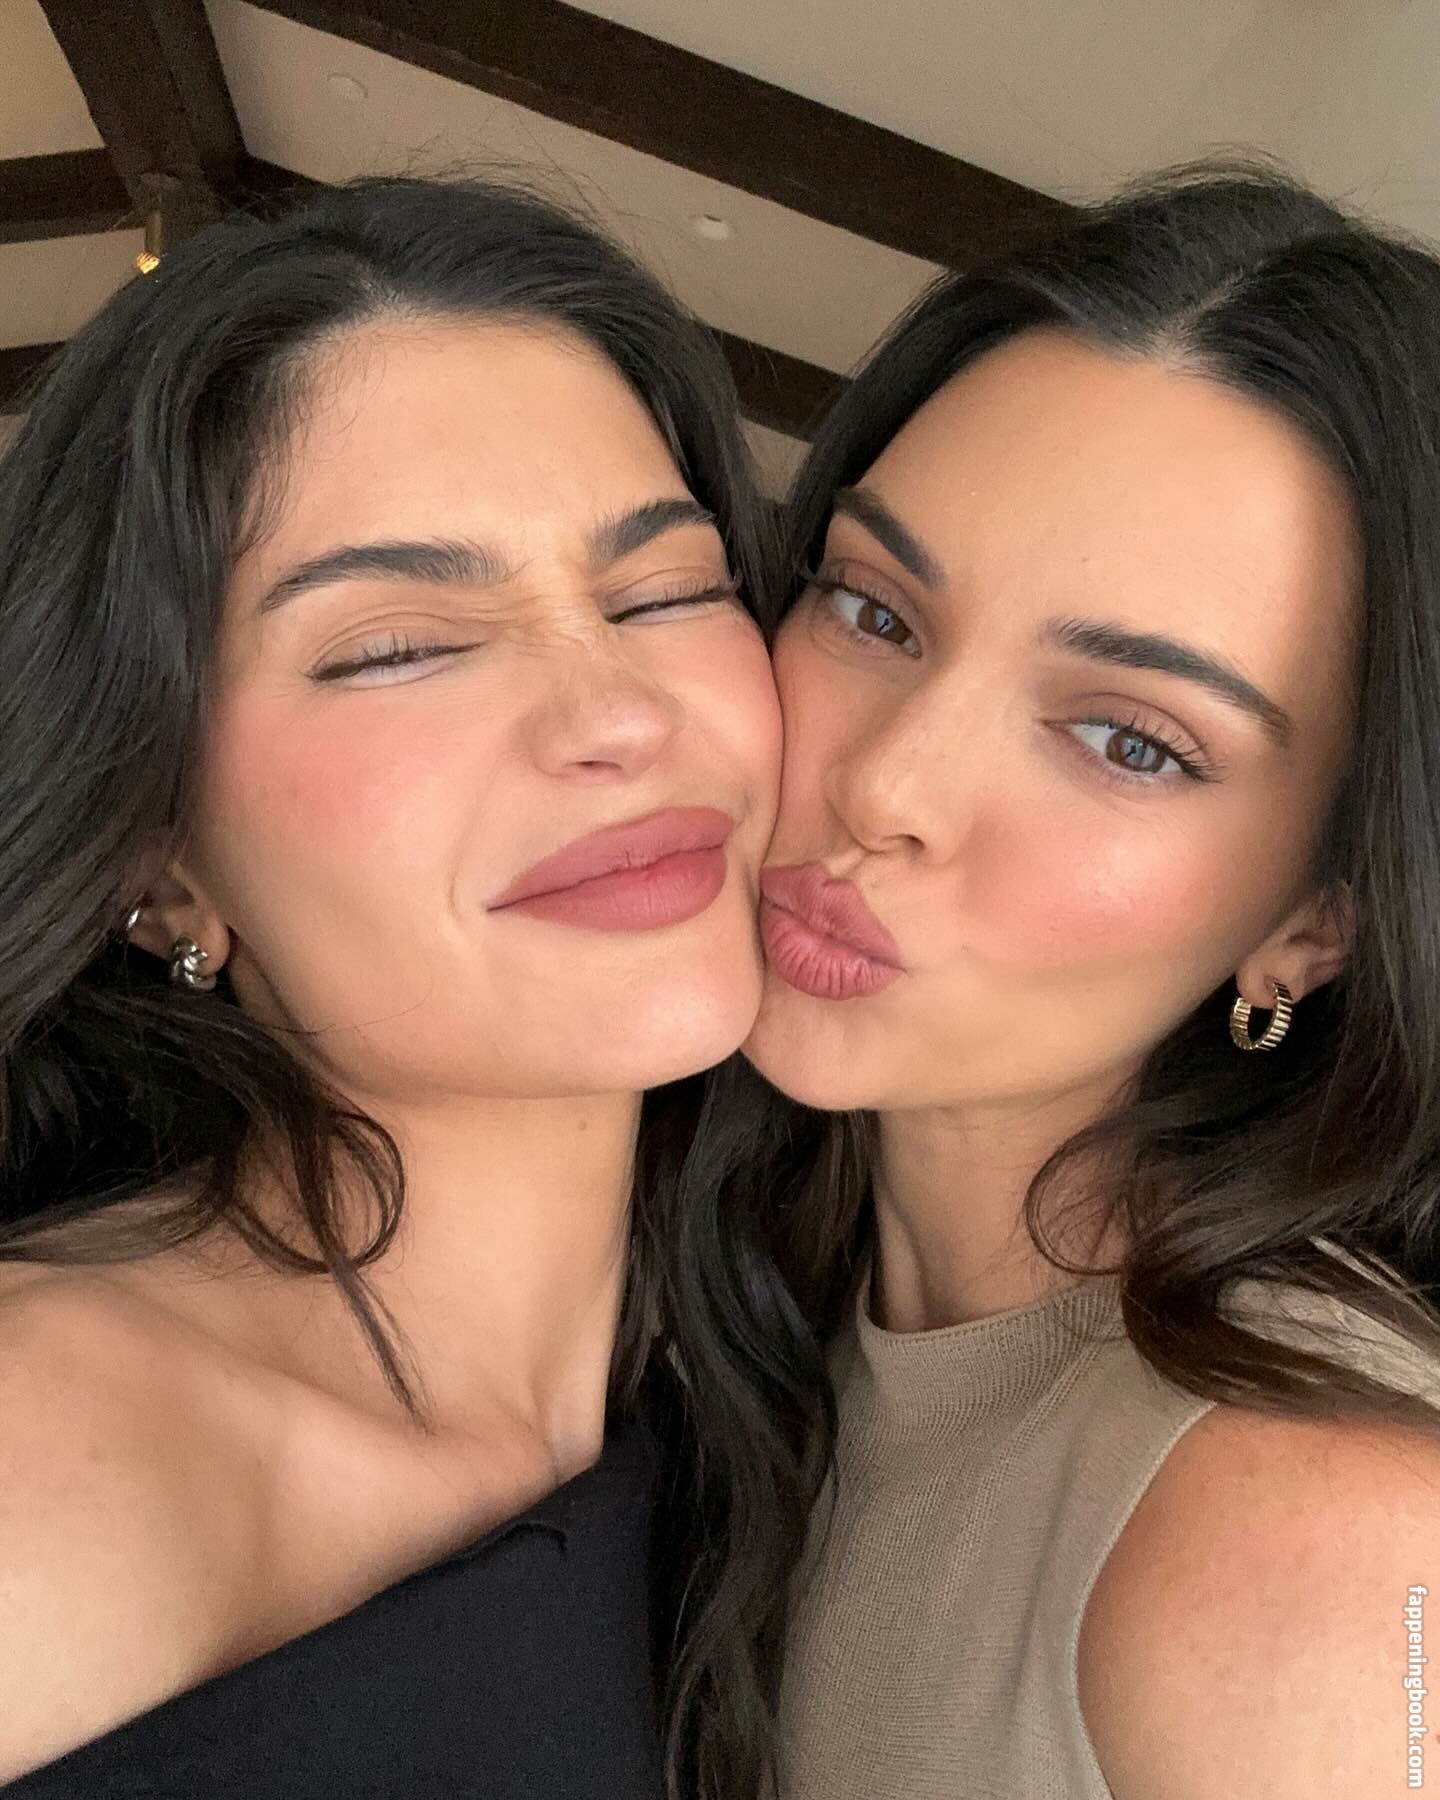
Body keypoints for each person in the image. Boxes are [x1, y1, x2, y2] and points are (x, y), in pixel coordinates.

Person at [0, 175, 819, 1799]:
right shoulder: (44, 1459)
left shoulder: (778, 1388)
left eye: (664, 591)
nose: (619, 712)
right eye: (399, 646)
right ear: (158, 861)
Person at [735, 164, 1440, 1799]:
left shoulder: (1328, 1543)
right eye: (872, 609)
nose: (887, 786)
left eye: (1130, 741)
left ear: (1318, 921)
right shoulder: (765, 1294)